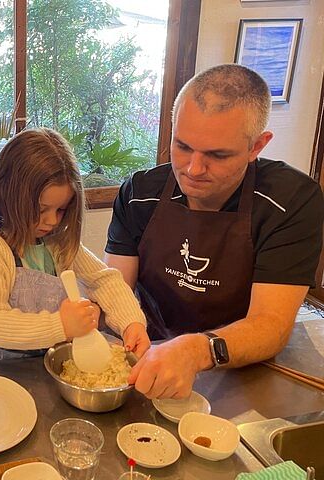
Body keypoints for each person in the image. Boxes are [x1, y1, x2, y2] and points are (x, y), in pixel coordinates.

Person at [105, 64, 324, 399]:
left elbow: (270, 325)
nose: (193, 169)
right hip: (153, 353)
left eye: (217, 155)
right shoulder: (139, 193)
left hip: (243, 366)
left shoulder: (290, 202)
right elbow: (115, 290)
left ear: (257, 146)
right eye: (182, 146)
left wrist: (196, 351)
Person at [0, 128, 149, 362]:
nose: (52, 221)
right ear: (9, 196)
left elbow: (104, 280)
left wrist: (131, 323)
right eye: (40, 210)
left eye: (61, 209)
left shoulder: (58, 243)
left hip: (49, 363)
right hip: (1, 370)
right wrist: (60, 325)